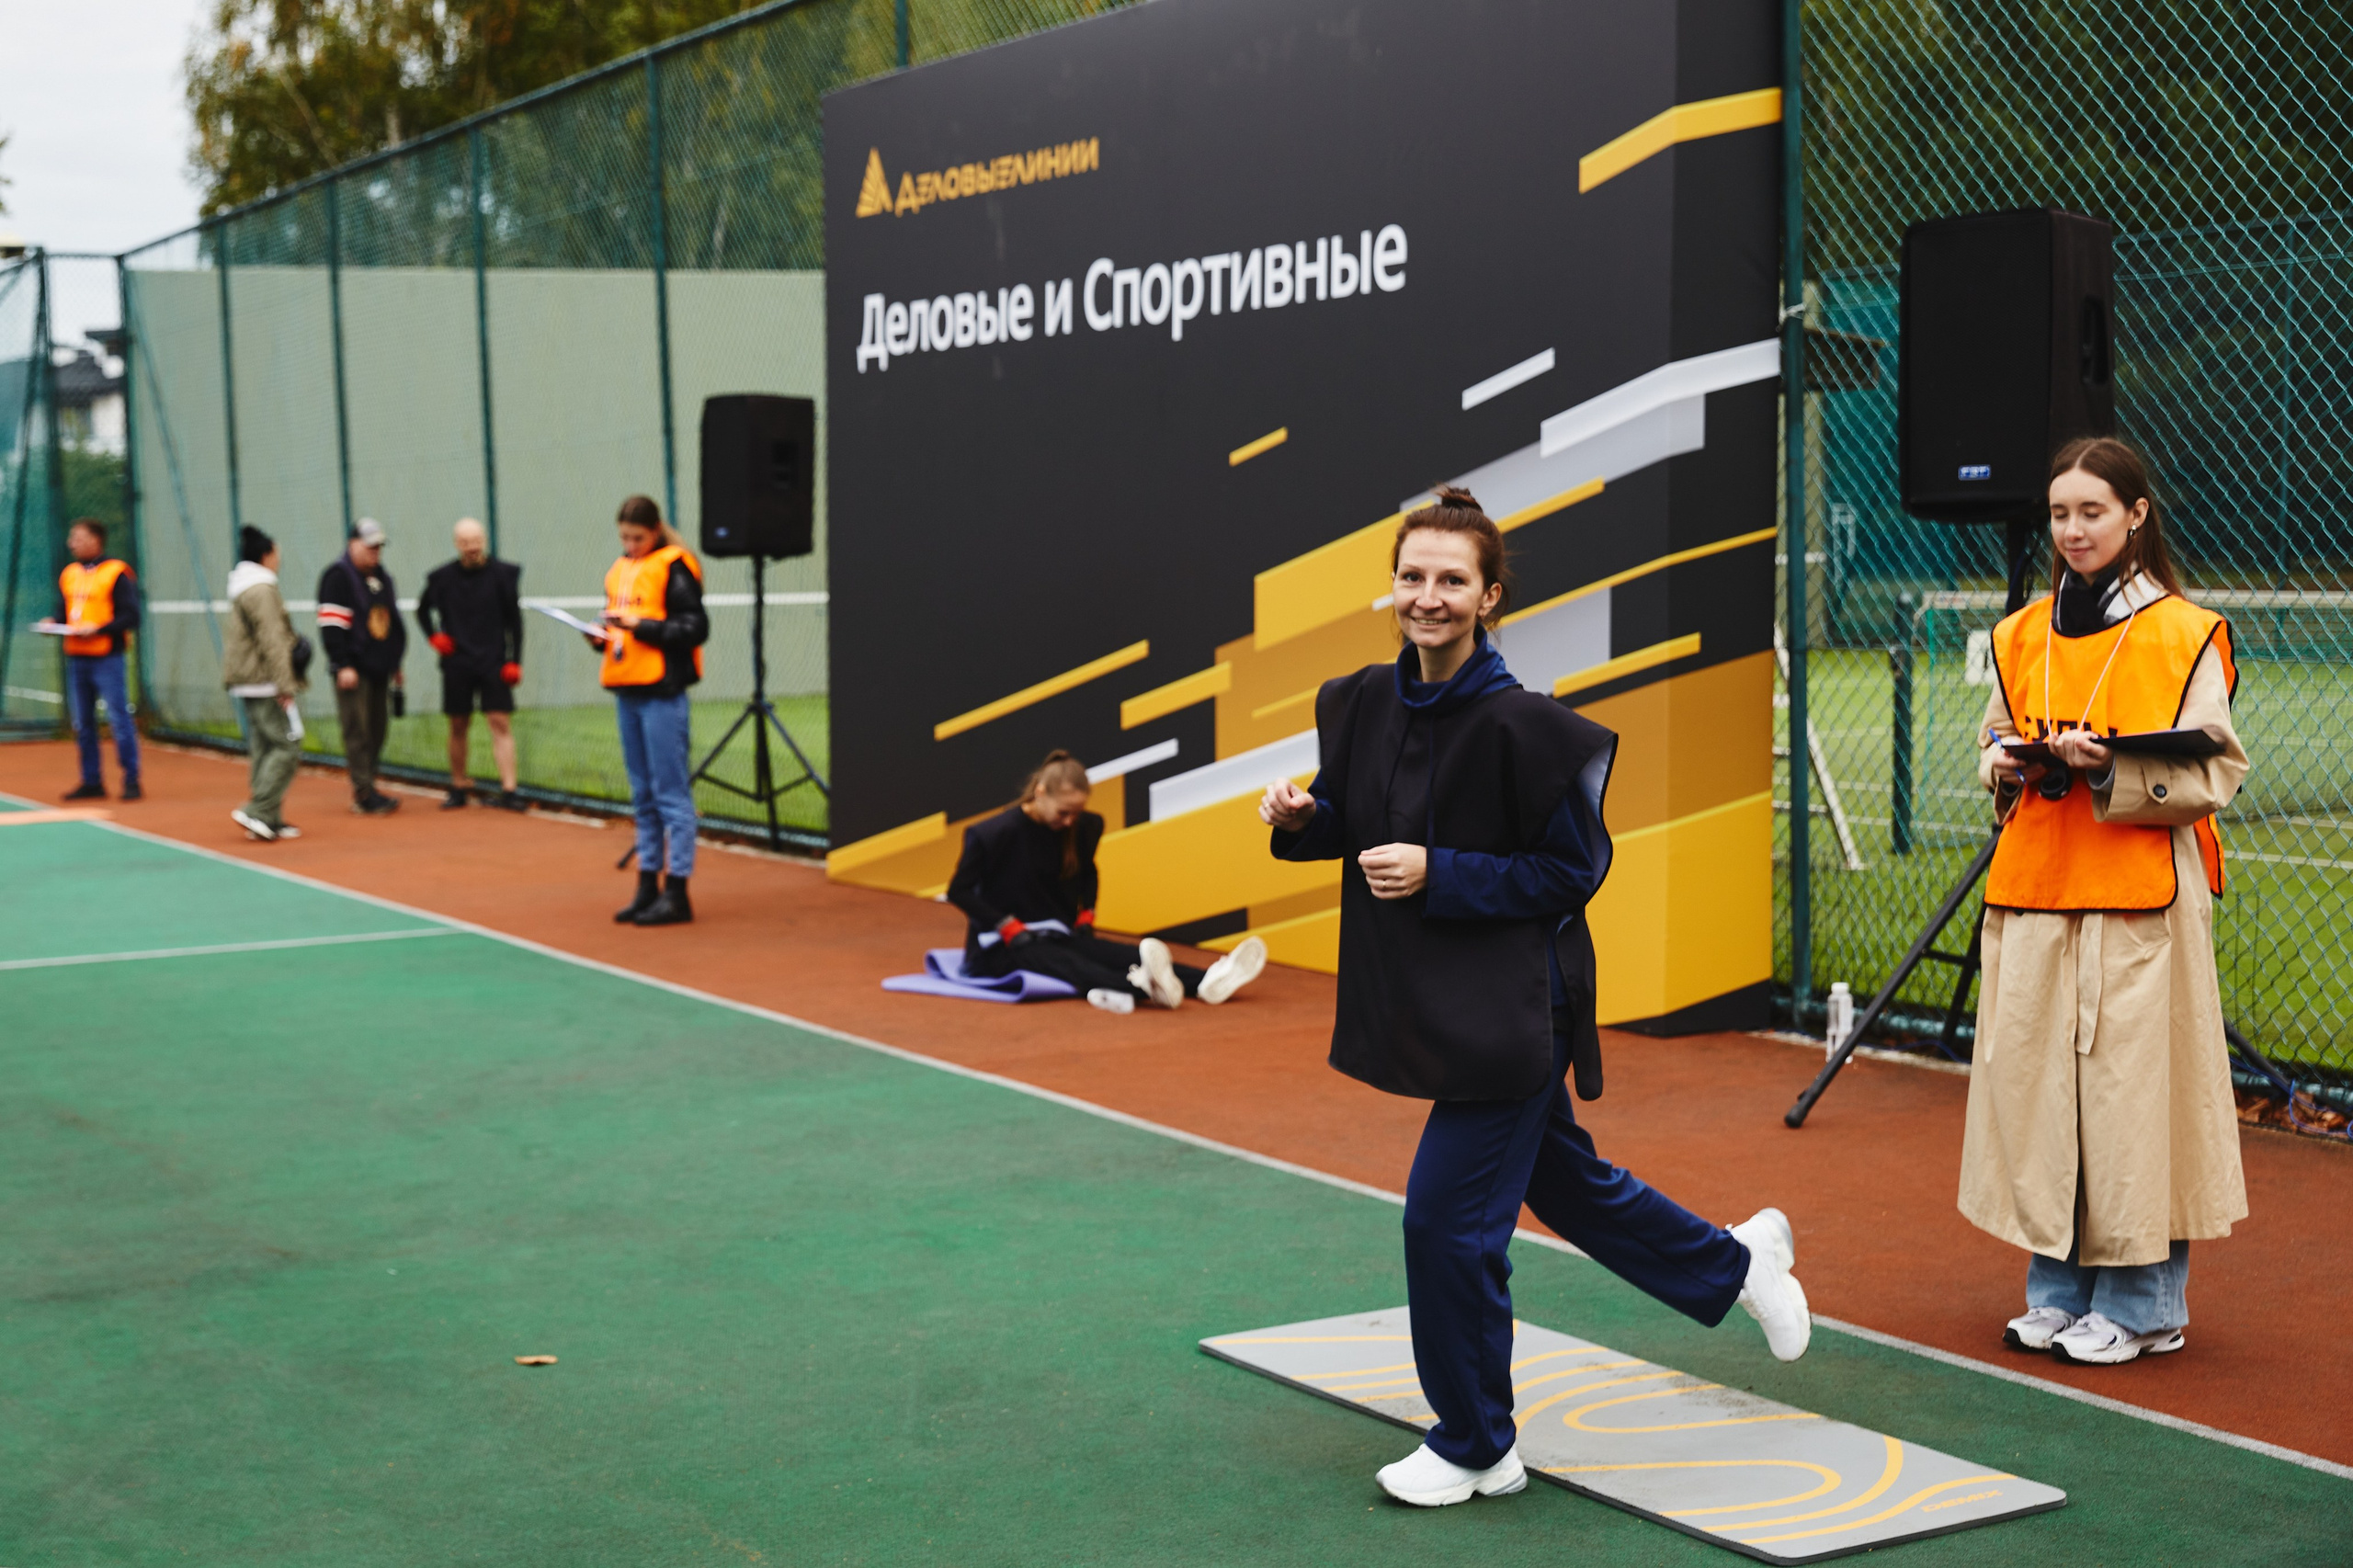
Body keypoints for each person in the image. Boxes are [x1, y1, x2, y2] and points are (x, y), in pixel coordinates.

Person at [1259, 486, 1811, 1509]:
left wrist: (1441, 872)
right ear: (1393, 585)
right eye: (1413, 575)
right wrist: (1299, 813)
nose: (1428, 596)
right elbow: (1352, 814)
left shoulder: (1529, 728)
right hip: (1437, 999)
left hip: (1516, 1006)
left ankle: (1477, 1443)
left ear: (1489, 594)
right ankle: (1738, 1263)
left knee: (1444, 1224)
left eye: (1451, 579)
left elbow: (1568, 873)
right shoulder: (1360, 701)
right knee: (1561, 1183)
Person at [1964, 437, 2249, 1368]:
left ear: (2136, 514)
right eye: (2059, 513)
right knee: (2043, 1098)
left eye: (2092, 510)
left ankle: (2144, 1302)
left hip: (2139, 902)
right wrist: (2004, 764)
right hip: (2038, 888)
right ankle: (2057, 1290)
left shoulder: (2185, 630)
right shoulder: (2020, 632)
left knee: (2135, 1105)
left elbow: (2215, 768)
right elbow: (1993, 743)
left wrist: (2111, 763)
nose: (2072, 529)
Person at [949, 749, 1267, 1013]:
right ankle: (1140, 985)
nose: (1070, 821)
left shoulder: (1086, 826)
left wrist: (1087, 911)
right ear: (1040, 793)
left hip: (1058, 931)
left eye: (1076, 812)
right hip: (1001, 945)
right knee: (1068, 964)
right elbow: (959, 891)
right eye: (1063, 812)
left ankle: (1207, 980)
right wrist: (1004, 924)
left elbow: (1088, 872)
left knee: (1118, 953)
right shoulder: (991, 834)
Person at [596, 495, 708, 926]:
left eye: (637, 537)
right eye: (624, 536)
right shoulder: (621, 568)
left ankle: (677, 891)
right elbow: (619, 624)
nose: (630, 544)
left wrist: (639, 627)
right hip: (628, 690)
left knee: (671, 795)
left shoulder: (675, 566)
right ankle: (647, 884)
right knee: (642, 795)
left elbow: (695, 627)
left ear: (656, 530)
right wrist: (601, 635)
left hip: (663, 691)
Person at [416, 517, 525, 811]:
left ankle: (510, 790)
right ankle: (458, 784)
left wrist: (515, 661)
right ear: (456, 544)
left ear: (484, 541)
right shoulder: (441, 579)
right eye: (465, 543)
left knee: (499, 721)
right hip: (457, 661)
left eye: (476, 541)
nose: (472, 548)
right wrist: (433, 637)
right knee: (458, 723)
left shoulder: (504, 575)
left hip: (494, 661)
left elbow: (515, 621)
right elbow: (422, 611)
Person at [46, 517, 143, 801]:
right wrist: (53, 622)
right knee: (83, 722)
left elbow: (131, 616)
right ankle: (92, 781)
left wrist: (99, 629)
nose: (71, 542)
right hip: (77, 657)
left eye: (77, 537)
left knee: (118, 718)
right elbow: (65, 613)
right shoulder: (69, 573)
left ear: (95, 540)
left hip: (107, 658)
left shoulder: (116, 573)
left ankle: (131, 779)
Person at [316, 517, 407, 815]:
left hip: (380, 667)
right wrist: (342, 663)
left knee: (378, 730)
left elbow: (390, 622)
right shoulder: (338, 577)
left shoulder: (381, 578)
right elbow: (332, 625)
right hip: (354, 669)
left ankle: (370, 783)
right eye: (369, 547)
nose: (375, 552)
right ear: (352, 545)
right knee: (358, 730)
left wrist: (395, 662)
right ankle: (364, 791)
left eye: (379, 547)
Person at [222, 527, 307, 842]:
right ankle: (258, 809)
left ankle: (268, 818)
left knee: (264, 746)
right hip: (264, 681)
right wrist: (285, 684)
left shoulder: (245, 588)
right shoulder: (261, 589)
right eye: (277, 553)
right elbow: (272, 640)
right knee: (287, 743)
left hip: (249, 679)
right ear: (267, 554)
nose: (279, 560)